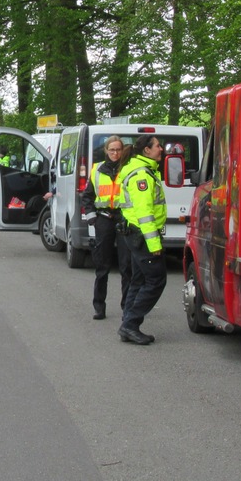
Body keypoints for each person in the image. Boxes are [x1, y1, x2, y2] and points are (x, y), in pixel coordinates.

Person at [115, 134, 167, 344]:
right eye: (157, 146)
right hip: (142, 236)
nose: (161, 149)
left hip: (135, 234)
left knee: (139, 280)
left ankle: (128, 323)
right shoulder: (142, 176)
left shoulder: (143, 170)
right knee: (156, 281)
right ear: (146, 150)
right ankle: (130, 325)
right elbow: (144, 212)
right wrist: (154, 244)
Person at [80, 136, 132, 320]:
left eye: (118, 150)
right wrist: (91, 215)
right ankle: (99, 307)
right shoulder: (96, 169)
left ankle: (127, 307)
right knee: (102, 266)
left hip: (123, 218)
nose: (115, 153)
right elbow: (87, 196)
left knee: (126, 266)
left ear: (123, 150)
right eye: (112, 150)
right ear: (106, 151)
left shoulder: (128, 168)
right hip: (103, 219)